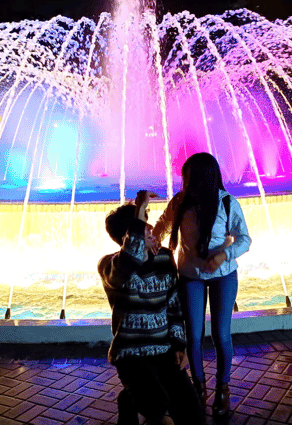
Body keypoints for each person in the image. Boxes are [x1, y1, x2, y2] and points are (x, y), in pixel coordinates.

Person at [153, 152, 252, 419]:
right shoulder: (180, 202)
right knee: (193, 336)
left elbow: (244, 239)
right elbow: (162, 226)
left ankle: (223, 387)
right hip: (190, 277)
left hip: (223, 276)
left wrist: (224, 254)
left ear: (203, 179)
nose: (184, 184)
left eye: (188, 178)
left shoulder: (227, 204)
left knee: (221, 334)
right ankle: (198, 387)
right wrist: (148, 235)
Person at [98, 190, 204, 425]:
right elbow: (130, 260)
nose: (149, 226)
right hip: (131, 353)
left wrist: (179, 345)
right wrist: (139, 208)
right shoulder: (110, 266)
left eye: (145, 219)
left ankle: (130, 397)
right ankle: (132, 399)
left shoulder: (164, 259)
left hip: (164, 350)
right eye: (143, 221)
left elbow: (173, 305)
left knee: (192, 415)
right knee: (157, 409)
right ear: (130, 234)